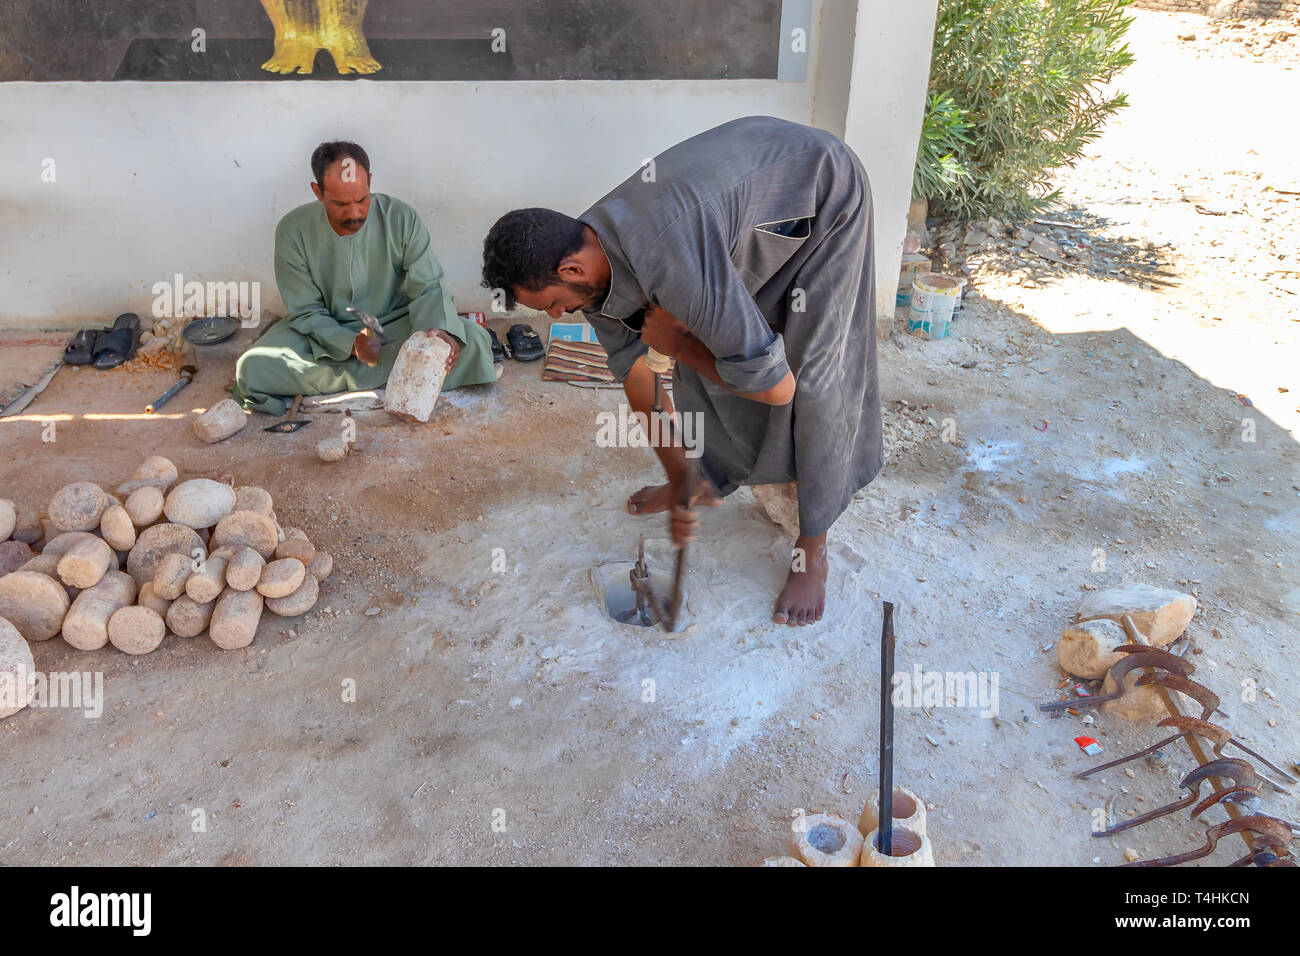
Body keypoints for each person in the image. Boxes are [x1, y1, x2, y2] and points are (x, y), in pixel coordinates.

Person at [481, 116, 882, 627]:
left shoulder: (668, 259)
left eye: (554, 305)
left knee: (814, 374)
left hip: (821, 191)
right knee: (692, 336)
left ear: (571, 270)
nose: (557, 317)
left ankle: (813, 547)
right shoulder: (584, 251)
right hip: (749, 206)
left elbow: (778, 390)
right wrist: (677, 473)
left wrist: (680, 345)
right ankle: (705, 474)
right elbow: (636, 372)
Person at [232, 141, 496, 416]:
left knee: (474, 342)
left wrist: (437, 334)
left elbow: (428, 288)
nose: (354, 214)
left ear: (370, 182)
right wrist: (350, 343)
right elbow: (306, 310)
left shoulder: (401, 218)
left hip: (395, 326)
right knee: (253, 366)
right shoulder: (292, 230)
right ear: (317, 192)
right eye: (340, 204)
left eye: (362, 200)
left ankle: (351, 381)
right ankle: (393, 377)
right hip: (324, 337)